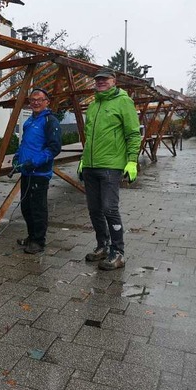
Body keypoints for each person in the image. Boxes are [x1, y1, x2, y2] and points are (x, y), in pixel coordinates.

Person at [77, 69, 141, 270]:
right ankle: (102, 246)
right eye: (97, 79)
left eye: (105, 79)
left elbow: (133, 133)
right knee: (94, 209)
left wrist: (131, 161)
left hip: (111, 166)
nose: (101, 82)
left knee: (109, 209)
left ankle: (118, 252)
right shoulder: (94, 104)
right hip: (90, 166)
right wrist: (83, 160)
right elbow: (88, 137)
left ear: (114, 81)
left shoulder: (124, 101)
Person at [14, 88, 62, 254]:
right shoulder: (29, 122)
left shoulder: (50, 121)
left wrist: (34, 163)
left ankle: (38, 241)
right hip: (26, 172)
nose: (35, 102)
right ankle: (31, 236)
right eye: (32, 100)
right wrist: (17, 157)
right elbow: (24, 144)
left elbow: (54, 148)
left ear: (47, 102)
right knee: (26, 208)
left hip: (39, 174)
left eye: (39, 100)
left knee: (38, 208)